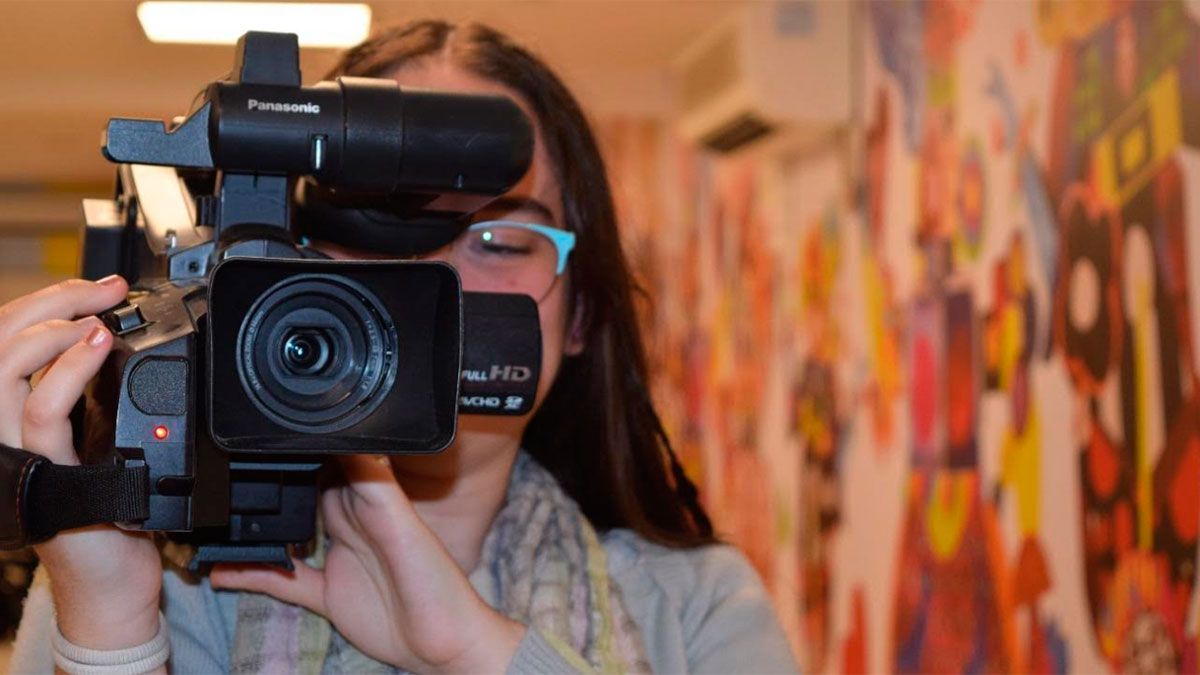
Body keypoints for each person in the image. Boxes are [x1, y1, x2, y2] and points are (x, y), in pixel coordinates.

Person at [6, 20, 797, 674]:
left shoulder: (696, 608)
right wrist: (110, 628)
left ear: (582, 313)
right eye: (377, 229)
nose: (434, 279)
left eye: (500, 240)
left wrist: (475, 650)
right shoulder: (142, 581)